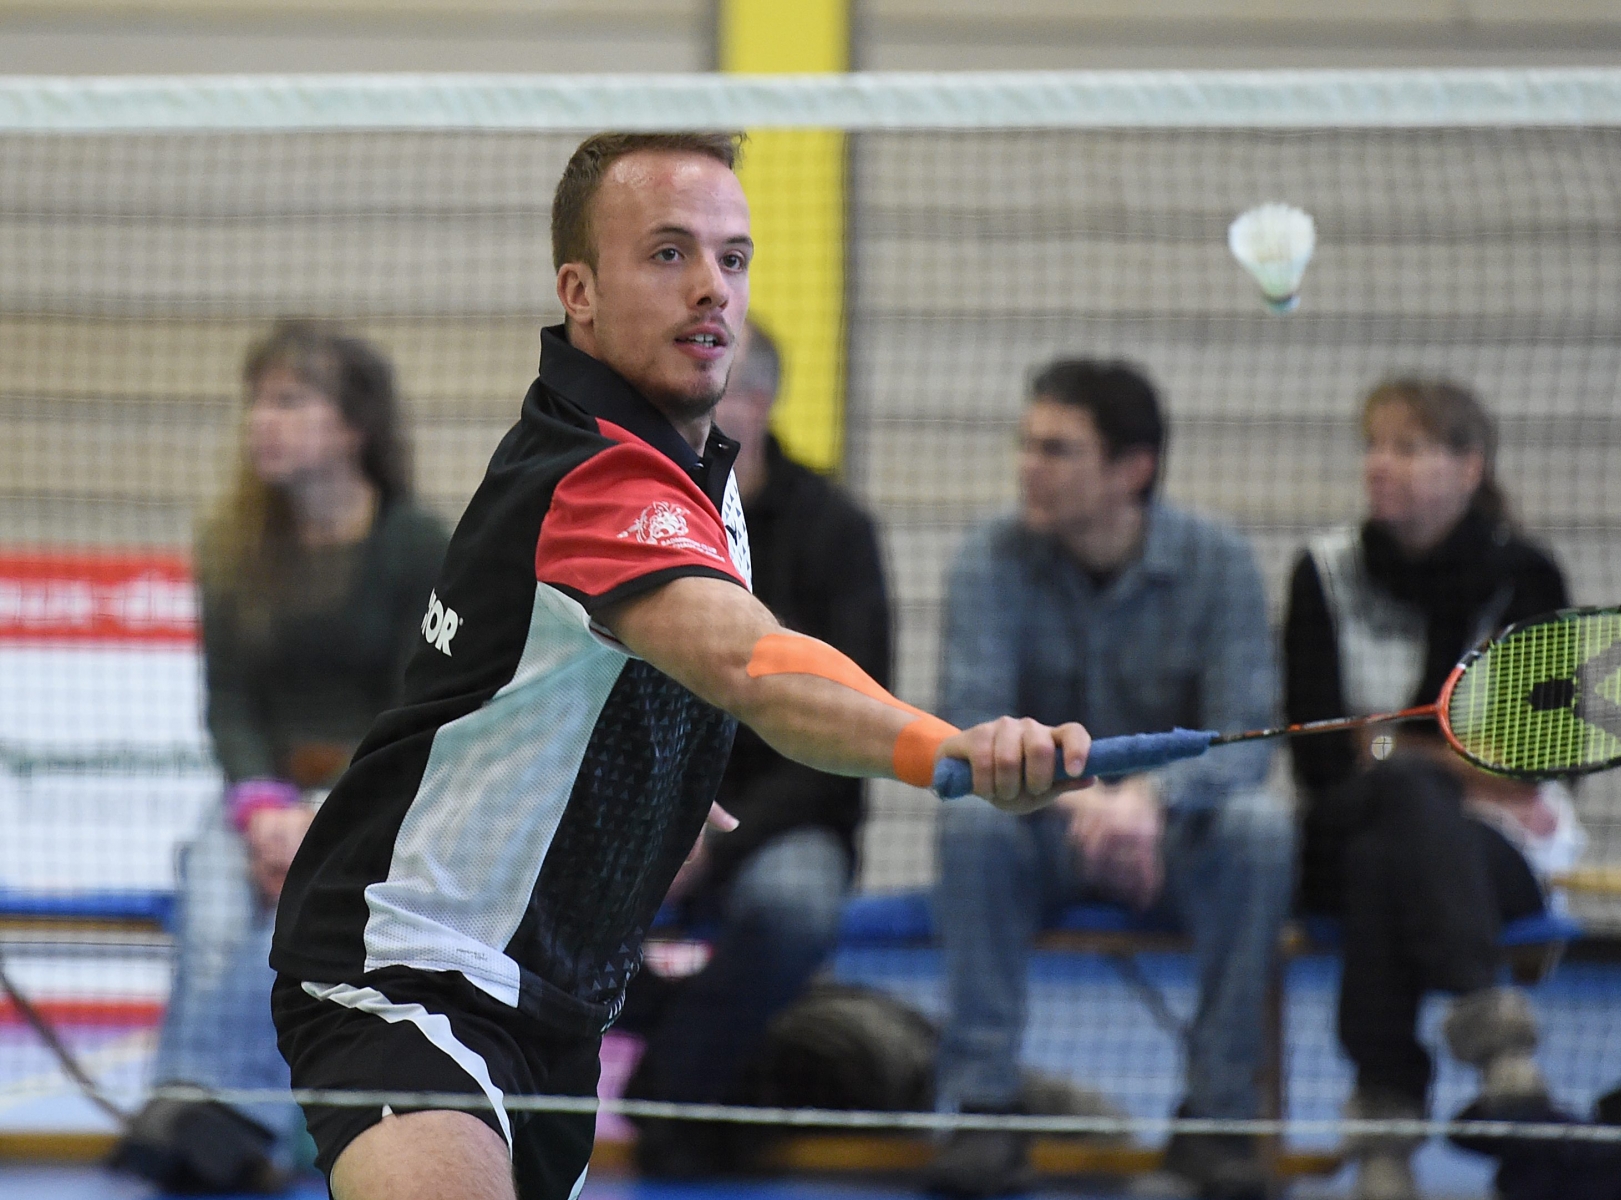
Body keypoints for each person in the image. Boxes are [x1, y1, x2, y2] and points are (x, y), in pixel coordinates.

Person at [266, 130, 1092, 1200]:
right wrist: (956, 751)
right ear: (581, 291)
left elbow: (576, 683)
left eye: (732, 259)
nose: (711, 288)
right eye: (667, 254)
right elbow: (753, 668)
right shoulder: (600, 478)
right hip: (409, 976)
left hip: (552, 1002)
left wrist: (648, 786)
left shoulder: (692, 470)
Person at [931, 360, 1292, 1200]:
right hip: (1045, 834)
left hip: (1177, 844)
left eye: (1057, 450)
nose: (1029, 467)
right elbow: (970, 727)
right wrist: (1091, 808)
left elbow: (1248, 741)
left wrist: (1152, 805)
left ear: (1133, 470)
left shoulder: (1221, 564)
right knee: (971, 823)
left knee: (1262, 829)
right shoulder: (988, 560)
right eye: (1026, 445)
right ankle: (983, 1108)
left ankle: (1217, 1118)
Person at [144, 322, 446, 1175]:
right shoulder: (231, 547)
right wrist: (261, 806)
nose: (261, 421)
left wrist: (320, 813)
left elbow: (415, 703)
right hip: (260, 798)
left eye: (289, 401)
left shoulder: (416, 545)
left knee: (290, 920)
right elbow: (229, 700)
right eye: (257, 402)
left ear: (353, 428)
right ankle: (198, 1110)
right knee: (207, 894)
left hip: (375, 798)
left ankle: (225, 1120)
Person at [1282, 378, 1578, 1200]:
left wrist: (1390, 743)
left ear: (1469, 466)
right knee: (1397, 810)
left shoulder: (1529, 582)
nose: (1381, 465)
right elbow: (1319, 763)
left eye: (1408, 447)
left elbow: (1540, 768)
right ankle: (1498, 1044)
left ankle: (1383, 1130)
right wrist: (1452, 758)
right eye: (1374, 445)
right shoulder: (1323, 573)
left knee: (1393, 846)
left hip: (1501, 851)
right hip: (1336, 834)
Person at [625, 318, 893, 1174]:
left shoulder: (839, 535)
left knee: (794, 908)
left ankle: (673, 1090)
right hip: (653, 809)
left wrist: (716, 838)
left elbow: (850, 731)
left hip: (785, 821)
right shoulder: (645, 521)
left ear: (759, 404)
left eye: (710, 390)